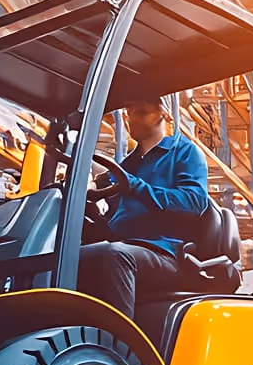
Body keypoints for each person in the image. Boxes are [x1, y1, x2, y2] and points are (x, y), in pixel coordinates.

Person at [80, 96, 211, 320]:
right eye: (129, 112)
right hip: (124, 243)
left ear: (164, 113)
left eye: (142, 111)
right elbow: (104, 198)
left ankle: (120, 346)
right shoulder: (126, 166)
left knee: (116, 256)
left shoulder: (184, 153)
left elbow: (194, 202)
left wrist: (137, 187)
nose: (132, 119)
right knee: (67, 254)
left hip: (166, 252)